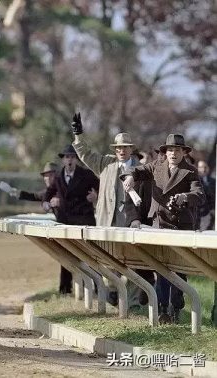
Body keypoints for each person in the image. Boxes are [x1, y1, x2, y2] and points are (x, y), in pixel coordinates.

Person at [70, 113, 154, 308]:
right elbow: (85, 155)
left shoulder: (140, 169)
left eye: (125, 147)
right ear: (115, 150)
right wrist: (78, 135)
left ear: (131, 149)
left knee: (132, 264)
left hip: (131, 225)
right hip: (107, 223)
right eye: (118, 148)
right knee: (108, 263)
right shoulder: (106, 164)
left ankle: (132, 304)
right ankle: (113, 295)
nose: (121, 151)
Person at [123, 133, 205, 323]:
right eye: (170, 150)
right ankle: (162, 308)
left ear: (183, 152)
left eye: (177, 150)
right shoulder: (156, 167)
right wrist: (129, 177)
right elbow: (136, 170)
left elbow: (199, 195)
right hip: (159, 224)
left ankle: (176, 306)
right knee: (161, 268)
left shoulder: (190, 171)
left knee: (178, 269)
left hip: (181, 226)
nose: (173, 154)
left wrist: (185, 197)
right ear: (165, 153)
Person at [41, 144, 100, 294]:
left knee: (91, 255)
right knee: (66, 255)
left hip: (83, 220)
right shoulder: (59, 176)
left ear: (77, 159)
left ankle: (99, 288)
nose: (70, 160)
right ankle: (65, 289)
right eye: (67, 157)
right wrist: (47, 203)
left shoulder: (86, 174)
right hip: (65, 221)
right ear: (62, 160)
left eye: (72, 157)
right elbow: (48, 193)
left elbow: (102, 187)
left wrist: (96, 197)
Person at [197, 160, 215, 231]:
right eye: (201, 167)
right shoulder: (194, 180)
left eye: (205, 167)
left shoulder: (214, 181)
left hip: (208, 213)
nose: (203, 169)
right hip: (196, 213)